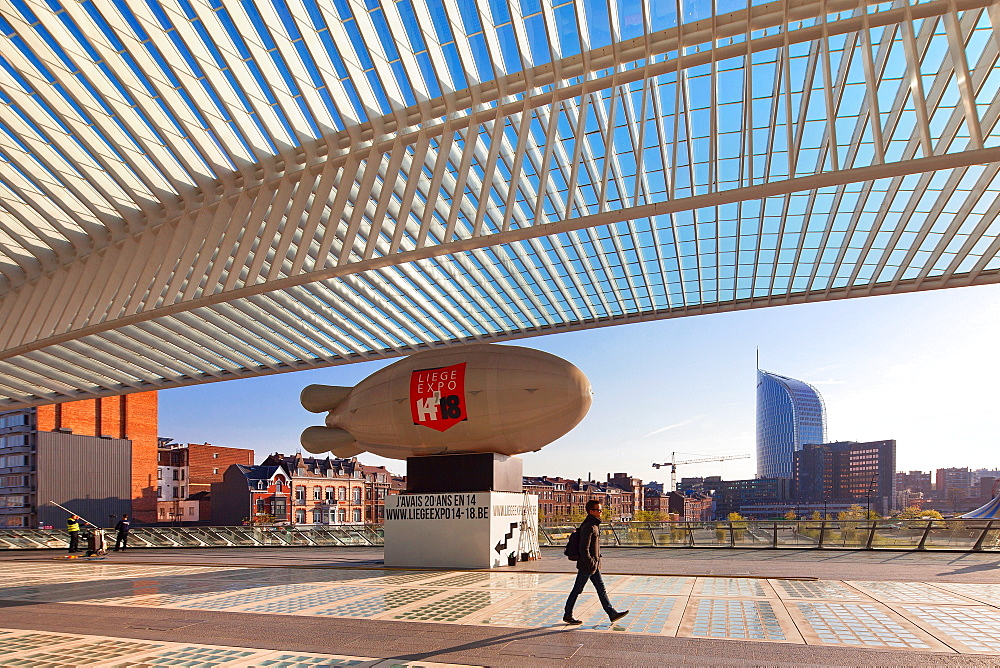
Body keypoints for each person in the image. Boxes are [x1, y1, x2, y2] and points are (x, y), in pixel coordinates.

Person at [563, 499, 629, 625]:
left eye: (601, 510)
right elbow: (584, 548)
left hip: (593, 565)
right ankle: (567, 615)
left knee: (601, 589)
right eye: (598, 510)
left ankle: (612, 613)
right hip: (587, 565)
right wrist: (591, 563)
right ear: (591, 511)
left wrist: (595, 563)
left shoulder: (594, 525)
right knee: (577, 590)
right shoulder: (588, 526)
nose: (601, 512)